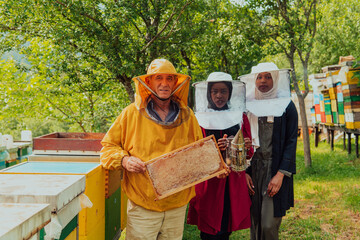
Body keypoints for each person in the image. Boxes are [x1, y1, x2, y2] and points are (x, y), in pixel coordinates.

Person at [100, 59, 202, 240]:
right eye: (158, 78)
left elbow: (198, 153)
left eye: (169, 79)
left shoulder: (188, 115)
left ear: (175, 83)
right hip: (143, 204)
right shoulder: (131, 114)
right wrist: (125, 160)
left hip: (176, 204)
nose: (164, 84)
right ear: (148, 82)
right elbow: (108, 147)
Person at [187, 72, 254, 240]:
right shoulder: (199, 119)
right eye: (215, 91)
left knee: (225, 228)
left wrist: (241, 146)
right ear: (208, 93)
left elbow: (248, 153)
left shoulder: (239, 116)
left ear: (230, 93)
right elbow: (192, 153)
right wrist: (215, 149)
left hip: (232, 182)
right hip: (209, 183)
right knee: (209, 230)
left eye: (223, 91)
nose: (219, 95)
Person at [239, 62, 298, 240]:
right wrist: (244, 172)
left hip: (275, 169)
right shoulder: (247, 106)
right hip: (253, 168)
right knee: (255, 221)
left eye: (268, 76)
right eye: (259, 77)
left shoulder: (286, 105)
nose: (263, 80)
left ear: (276, 79)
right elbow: (240, 140)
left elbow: (291, 141)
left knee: (268, 223)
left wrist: (281, 174)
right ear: (253, 80)